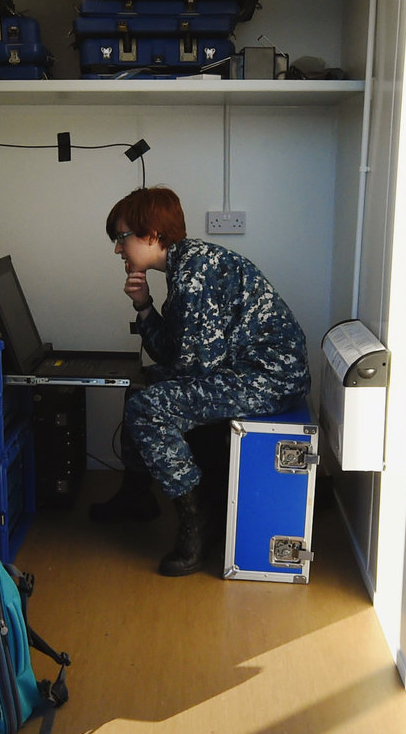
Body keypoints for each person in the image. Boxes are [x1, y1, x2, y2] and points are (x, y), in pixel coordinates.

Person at [90, 186, 310, 576]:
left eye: (121, 237)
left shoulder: (195, 273)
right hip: (243, 373)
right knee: (144, 384)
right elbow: (174, 356)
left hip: (267, 379)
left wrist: (162, 381)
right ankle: (137, 496)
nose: (117, 249)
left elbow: (195, 368)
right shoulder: (184, 267)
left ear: (152, 234)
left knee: (149, 405)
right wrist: (144, 306)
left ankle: (198, 520)